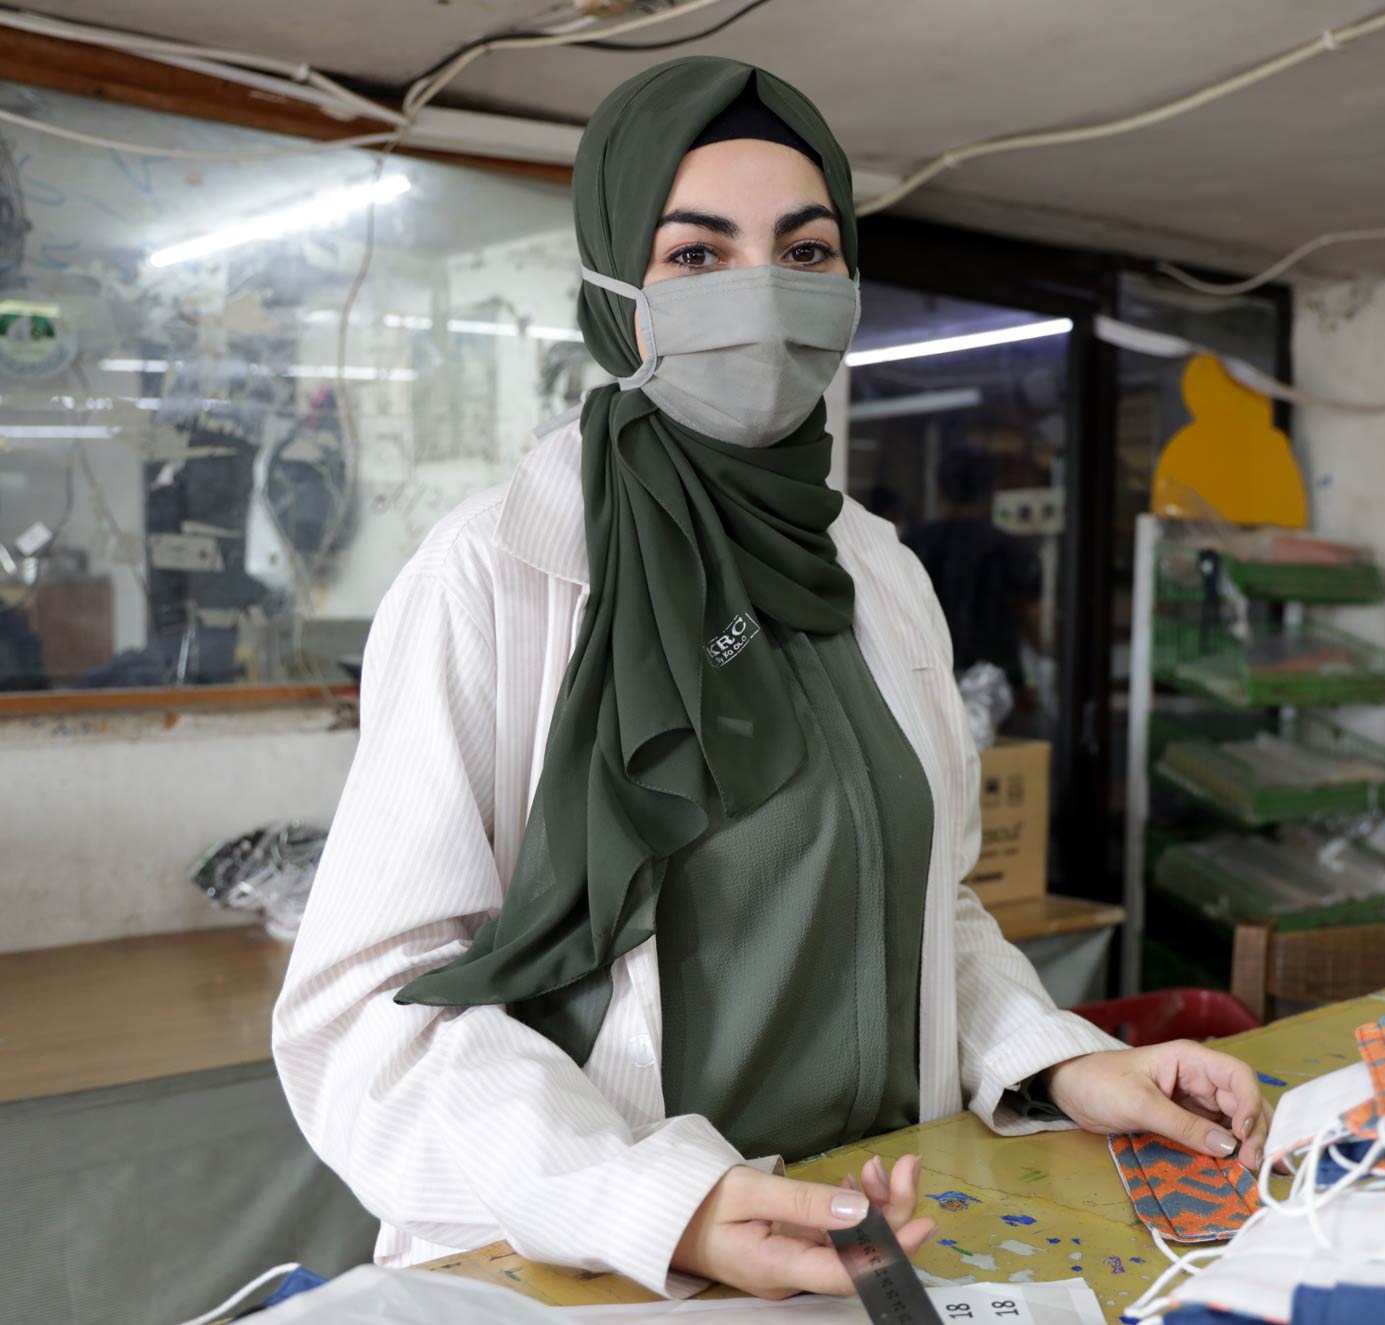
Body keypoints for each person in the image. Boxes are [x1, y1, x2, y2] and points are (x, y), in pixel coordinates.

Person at [273, 58, 1269, 1303]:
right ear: (613, 292)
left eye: (804, 254)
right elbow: (371, 1013)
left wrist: (1061, 1060)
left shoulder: (875, 570)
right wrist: (661, 1204)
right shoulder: (496, 576)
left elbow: (932, 911)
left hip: (879, 1228)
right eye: (696, 255)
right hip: (601, 1268)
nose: (761, 295)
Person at [903, 446, 1043, 692]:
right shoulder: (1014, 551)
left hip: (925, 682)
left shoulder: (910, 546)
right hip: (999, 686)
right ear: (991, 491)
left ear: (939, 490)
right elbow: (1032, 620)